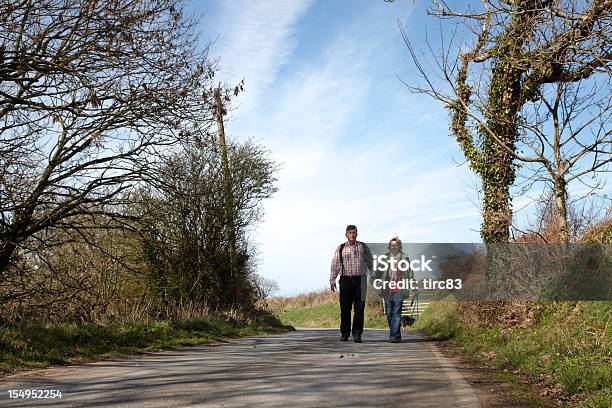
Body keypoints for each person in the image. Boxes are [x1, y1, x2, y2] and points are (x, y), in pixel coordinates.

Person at [329, 225, 373, 343]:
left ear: (357, 234)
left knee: (359, 309)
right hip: (345, 281)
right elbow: (335, 264)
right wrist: (332, 280)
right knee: (345, 309)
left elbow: (370, 261)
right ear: (346, 235)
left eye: (354, 233)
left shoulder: (363, 247)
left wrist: (373, 275)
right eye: (350, 233)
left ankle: (357, 334)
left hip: (360, 280)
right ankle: (345, 333)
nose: (352, 235)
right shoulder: (341, 248)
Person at [378, 237, 413, 343]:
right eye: (392, 245)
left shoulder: (405, 258)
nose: (394, 247)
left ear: (399, 246)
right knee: (389, 314)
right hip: (387, 289)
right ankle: (395, 332)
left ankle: (394, 336)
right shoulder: (385, 257)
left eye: (396, 245)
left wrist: (413, 286)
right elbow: (379, 270)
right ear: (390, 246)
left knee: (396, 313)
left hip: (399, 288)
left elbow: (409, 273)